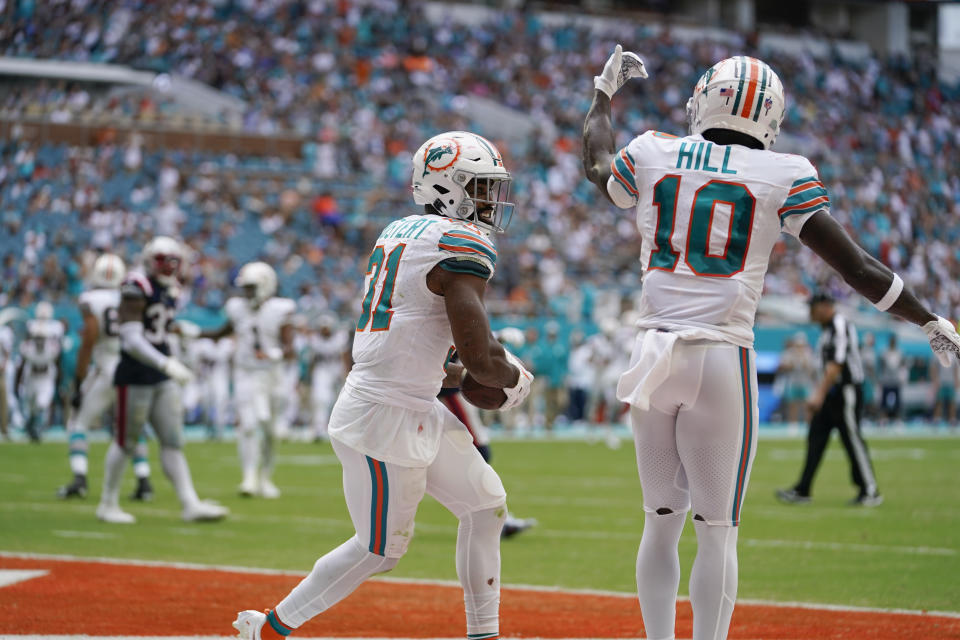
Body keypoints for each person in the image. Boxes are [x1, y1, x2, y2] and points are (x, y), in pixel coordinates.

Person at [581, 47, 960, 640]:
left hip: (651, 356)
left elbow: (598, 163)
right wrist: (928, 318)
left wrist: (603, 94)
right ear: (770, 116)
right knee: (716, 531)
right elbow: (857, 269)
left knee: (659, 524)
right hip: (719, 359)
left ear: (706, 100)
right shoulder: (785, 172)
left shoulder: (653, 150)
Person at [233, 131, 533, 640]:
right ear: (448, 187)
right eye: (480, 188)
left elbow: (423, 343)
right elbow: (480, 358)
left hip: (408, 397)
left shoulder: (403, 230)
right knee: (380, 549)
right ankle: (269, 628)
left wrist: (468, 372)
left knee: (485, 506)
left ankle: (485, 634)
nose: (489, 201)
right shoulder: (460, 242)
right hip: (381, 413)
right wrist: (515, 380)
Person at [96, 236, 228, 524]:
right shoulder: (136, 284)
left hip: (160, 374)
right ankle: (107, 503)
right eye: (162, 261)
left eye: (172, 261)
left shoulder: (171, 289)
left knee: (172, 440)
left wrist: (187, 332)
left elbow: (160, 325)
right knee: (126, 441)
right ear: (149, 259)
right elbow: (131, 339)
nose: (168, 267)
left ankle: (189, 503)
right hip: (135, 373)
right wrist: (166, 362)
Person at [57, 253, 154, 500]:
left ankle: (79, 478)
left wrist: (79, 381)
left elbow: (89, 337)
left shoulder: (91, 299)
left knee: (78, 423)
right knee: (132, 426)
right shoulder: (130, 296)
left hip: (107, 369)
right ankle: (144, 480)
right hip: (131, 368)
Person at [201, 261, 296, 498]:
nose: (247, 292)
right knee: (248, 425)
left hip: (271, 374)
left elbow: (289, 349)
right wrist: (193, 332)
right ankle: (249, 477)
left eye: (251, 287)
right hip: (246, 373)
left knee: (270, 429)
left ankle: (265, 477)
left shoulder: (280, 309)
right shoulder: (237, 307)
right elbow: (221, 332)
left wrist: (271, 354)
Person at [776, 294, 881, 506]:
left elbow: (836, 365)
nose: (810, 313)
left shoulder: (839, 326)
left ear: (825, 307)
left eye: (813, 308)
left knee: (852, 439)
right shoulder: (826, 330)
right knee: (816, 437)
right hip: (831, 393)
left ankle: (870, 490)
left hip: (845, 391)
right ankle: (803, 489)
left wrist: (818, 394)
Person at [16, 302, 63, 442]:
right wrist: (17, 382)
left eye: (42, 338)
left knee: (42, 403)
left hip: (46, 377)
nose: (40, 341)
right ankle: (31, 426)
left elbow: (58, 362)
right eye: (37, 338)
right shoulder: (27, 348)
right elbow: (22, 364)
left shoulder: (53, 347)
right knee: (30, 405)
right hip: (31, 376)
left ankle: (37, 428)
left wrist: (59, 380)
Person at [307, 313, 349, 442]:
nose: (325, 330)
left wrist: (346, 372)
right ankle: (319, 429)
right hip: (322, 370)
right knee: (321, 399)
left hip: (336, 369)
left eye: (327, 327)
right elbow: (312, 359)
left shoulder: (340, 338)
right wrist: (309, 376)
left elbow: (344, 356)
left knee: (340, 400)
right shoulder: (314, 339)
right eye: (323, 327)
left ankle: (340, 430)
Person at [775, 332, 816, 424]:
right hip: (793, 383)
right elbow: (781, 366)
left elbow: (812, 369)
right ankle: (793, 426)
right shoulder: (789, 353)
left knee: (806, 406)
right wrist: (791, 366)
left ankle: (807, 425)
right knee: (793, 405)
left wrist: (804, 363)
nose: (799, 347)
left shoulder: (808, 353)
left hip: (805, 383)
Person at [878, 334, 906, 423]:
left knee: (898, 400)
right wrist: (880, 378)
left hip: (896, 380)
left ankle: (897, 419)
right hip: (886, 380)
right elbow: (881, 366)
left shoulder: (899, 353)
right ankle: (883, 418)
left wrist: (902, 377)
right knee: (884, 400)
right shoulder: (884, 353)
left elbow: (902, 366)